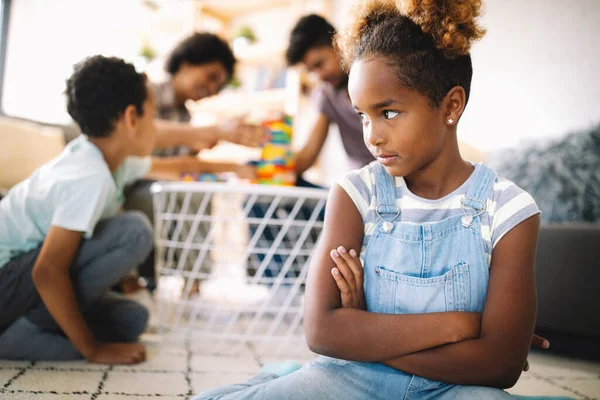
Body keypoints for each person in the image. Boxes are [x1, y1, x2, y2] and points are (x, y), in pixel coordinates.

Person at [192, 0, 545, 398]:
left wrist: (365, 333)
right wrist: (461, 326)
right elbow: (323, 332)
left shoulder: (510, 210)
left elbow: (499, 364)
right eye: (363, 115)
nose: (372, 135)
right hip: (352, 377)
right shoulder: (354, 194)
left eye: (389, 113)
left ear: (451, 105)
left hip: (457, 389)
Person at [0, 55, 205, 363]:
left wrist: (236, 166)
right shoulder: (88, 176)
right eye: (154, 116)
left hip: (22, 282)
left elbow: (174, 166)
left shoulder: (105, 158)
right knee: (133, 232)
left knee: (131, 320)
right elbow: (47, 271)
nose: (158, 128)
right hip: (8, 283)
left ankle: (31, 330)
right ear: (132, 117)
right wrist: (92, 350)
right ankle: (21, 333)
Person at [286, 14, 374, 182]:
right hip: (366, 184)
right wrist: (272, 166)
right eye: (312, 70)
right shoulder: (327, 95)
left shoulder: (376, 73)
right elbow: (307, 156)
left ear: (338, 43)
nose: (319, 75)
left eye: (319, 64)